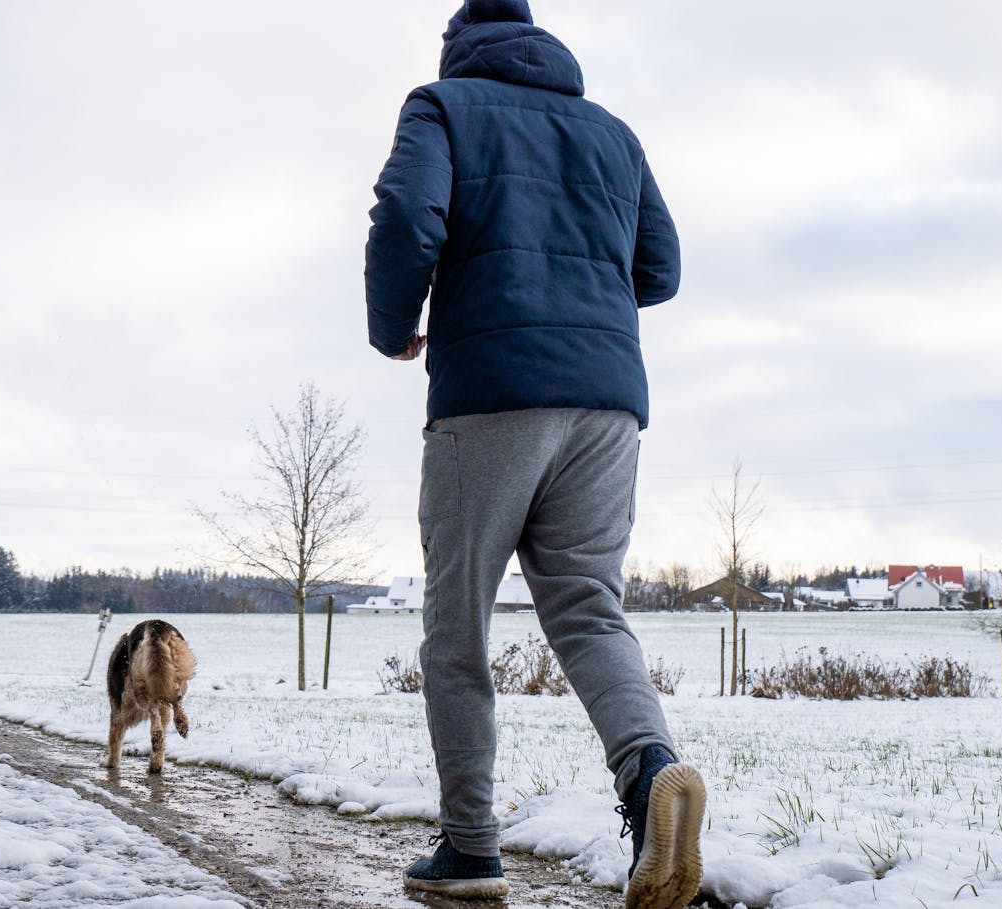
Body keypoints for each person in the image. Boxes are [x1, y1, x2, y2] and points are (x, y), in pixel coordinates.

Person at [364, 2, 706, 907]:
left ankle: (471, 849)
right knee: (591, 612)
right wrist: (583, 292)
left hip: (490, 398)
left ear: (460, 46)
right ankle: (651, 775)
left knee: (458, 624)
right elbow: (660, 268)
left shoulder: (441, 106)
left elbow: (406, 215)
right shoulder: (613, 134)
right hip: (607, 408)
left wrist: (395, 329)